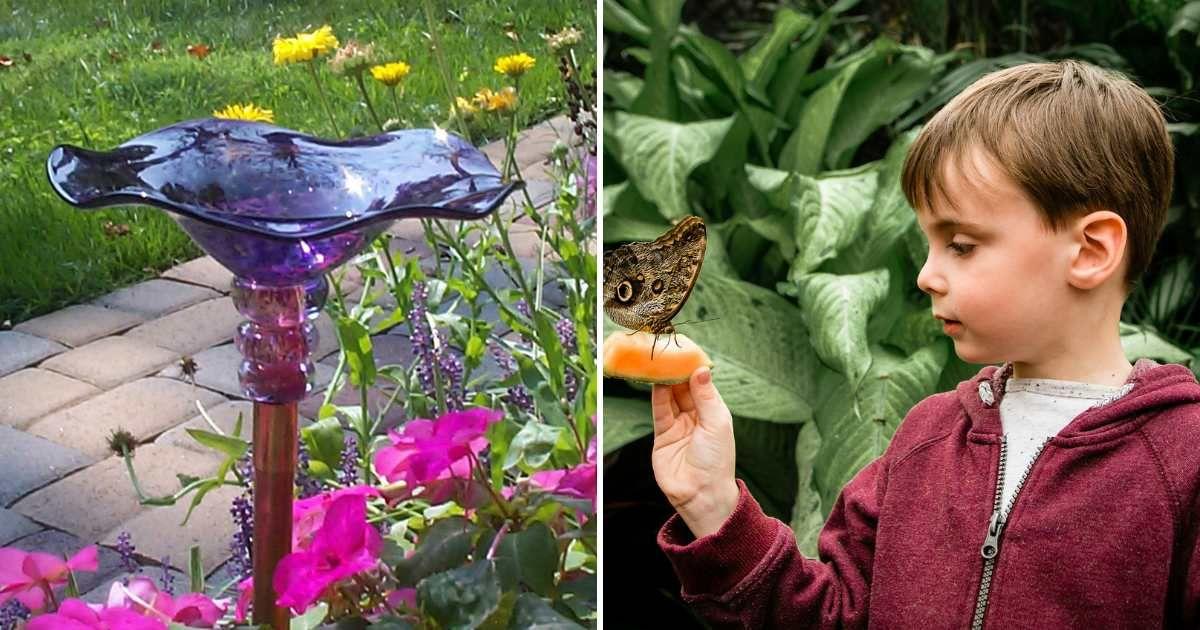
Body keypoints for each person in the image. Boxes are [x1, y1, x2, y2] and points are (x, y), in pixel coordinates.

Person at [650, 59, 1200, 629]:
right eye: (929, 245)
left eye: (960, 245)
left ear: (1090, 251)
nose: (926, 275)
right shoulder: (923, 440)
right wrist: (712, 504)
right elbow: (830, 617)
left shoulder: (1183, 463)